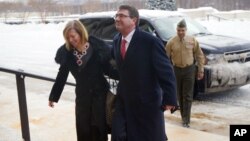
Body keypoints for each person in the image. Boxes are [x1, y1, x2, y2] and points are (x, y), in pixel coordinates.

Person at [111, 5, 178, 141]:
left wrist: (170, 98)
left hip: (147, 102)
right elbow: (120, 68)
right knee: (118, 135)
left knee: (149, 136)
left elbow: (166, 72)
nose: (117, 19)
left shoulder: (150, 42)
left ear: (134, 20)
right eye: (116, 16)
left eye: (122, 16)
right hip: (124, 101)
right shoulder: (117, 40)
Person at [48, 20, 117, 141]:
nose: (71, 40)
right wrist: (53, 96)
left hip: (99, 96)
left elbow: (109, 70)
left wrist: (127, 76)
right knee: (83, 130)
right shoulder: (67, 53)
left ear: (81, 33)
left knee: (99, 130)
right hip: (82, 98)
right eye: (68, 37)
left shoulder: (97, 49)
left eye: (73, 36)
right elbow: (61, 76)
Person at [165, 19, 205, 128]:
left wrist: (201, 70)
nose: (181, 32)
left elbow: (199, 55)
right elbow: (165, 58)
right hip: (176, 70)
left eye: (182, 30)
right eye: (179, 30)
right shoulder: (171, 42)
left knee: (187, 95)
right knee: (179, 95)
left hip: (189, 70)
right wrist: (167, 72)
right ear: (176, 30)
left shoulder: (192, 40)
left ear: (186, 30)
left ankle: (186, 120)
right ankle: (184, 116)